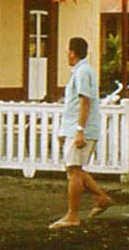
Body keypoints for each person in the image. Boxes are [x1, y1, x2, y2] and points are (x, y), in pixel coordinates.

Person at [49, 37, 113, 229]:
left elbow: (85, 102)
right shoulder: (80, 71)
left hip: (81, 128)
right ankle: (101, 198)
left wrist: (79, 131)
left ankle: (73, 215)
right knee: (72, 168)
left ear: (72, 52)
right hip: (73, 126)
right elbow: (74, 104)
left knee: (75, 170)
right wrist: (65, 129)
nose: (66, 55)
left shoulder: (83, 72)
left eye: (68, 51)